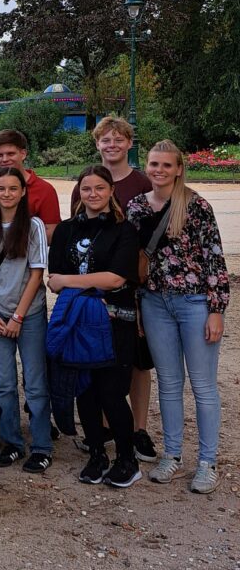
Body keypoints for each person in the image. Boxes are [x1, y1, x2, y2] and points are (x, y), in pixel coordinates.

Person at [126, 140, 229, 494]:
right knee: (169, 384)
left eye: (166, 165)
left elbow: (215, 259)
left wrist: (216, 310)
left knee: (202, 385)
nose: (159, 171)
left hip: (194, 302)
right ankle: (172, 453)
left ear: (179, 168)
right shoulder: (137, 206)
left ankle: (207, 461)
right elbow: (135, 261)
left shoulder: (196, 206)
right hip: (155, 302)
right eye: (154, 164)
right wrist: (138, 307)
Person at [69, 116, 155, 462]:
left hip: (135, 283)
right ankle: (104, 425)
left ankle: (138, 428)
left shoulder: (142, 182)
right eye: (106, 140)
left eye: (119, 139)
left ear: (129, 143)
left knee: (137, 361)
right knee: (101, 357)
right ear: (97, 144)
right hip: (96, 289)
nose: (112, 145)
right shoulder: (86, 182)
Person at [49, 165, 140, 488]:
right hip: (78, 320)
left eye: (99, 188)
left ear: (110, 190)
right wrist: (84, 285)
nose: (93, 194)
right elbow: (53, 280)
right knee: (84, 391)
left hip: (115, 320)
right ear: (79, 193)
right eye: (87, 189)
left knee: (112, 392)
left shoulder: (124, 230)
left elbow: (116, 278)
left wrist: (73, 282)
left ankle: (127, 458)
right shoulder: (66, 231)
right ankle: (97, 453)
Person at [0, 166, 52, 473]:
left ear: (22, 192)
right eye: (1, 189)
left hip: (28, 314)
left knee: (34, 383)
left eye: (12, 189)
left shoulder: (32, 226)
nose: (6, 194)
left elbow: (36, 274)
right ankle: (12, 442)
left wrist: (19, 315)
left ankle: (42, 445)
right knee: (3, 383)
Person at [0, 130, 60, 239]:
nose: (4, 159)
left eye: (10, 154)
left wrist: (14, 240)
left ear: (23, 154)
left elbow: (51, 232)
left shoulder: (45, 190)